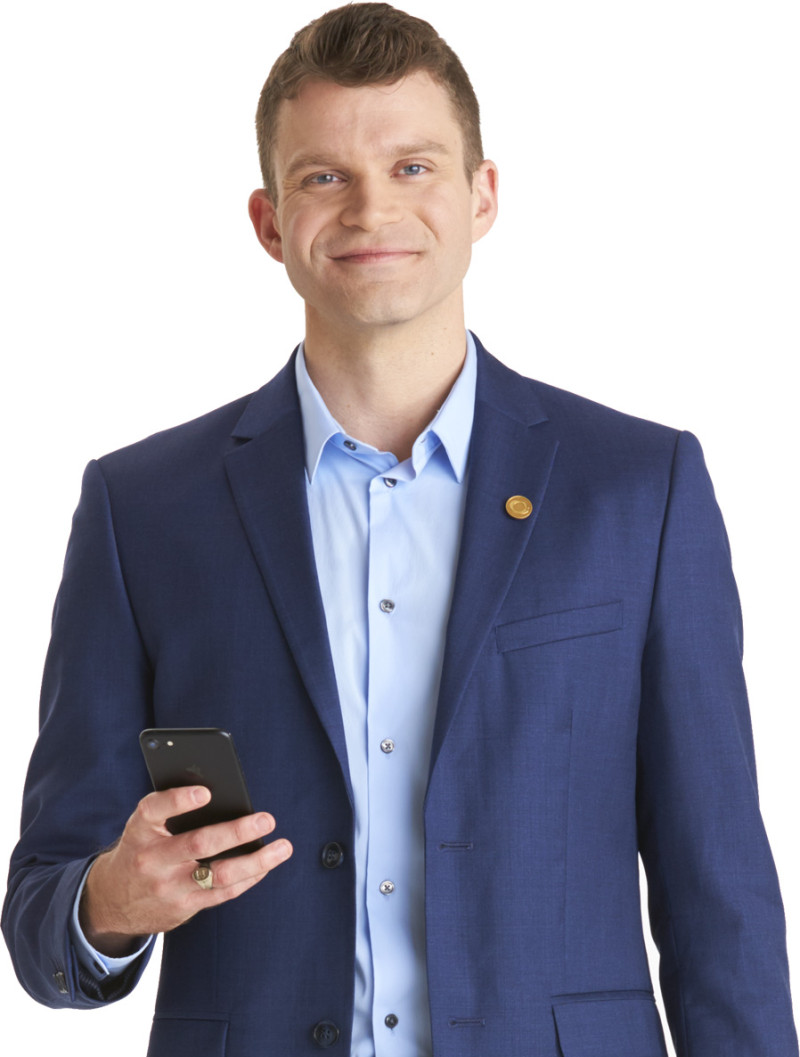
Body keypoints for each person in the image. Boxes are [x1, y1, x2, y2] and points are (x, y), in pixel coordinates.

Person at [2, 3, 797, 1055]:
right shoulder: (142, 508)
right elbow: (45, 915)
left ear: (482, 196)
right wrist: (109, 899)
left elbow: (719, 896)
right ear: (268, 221)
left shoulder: (636, 488)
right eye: (323, 175)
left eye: (414, 167)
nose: (371, 206)